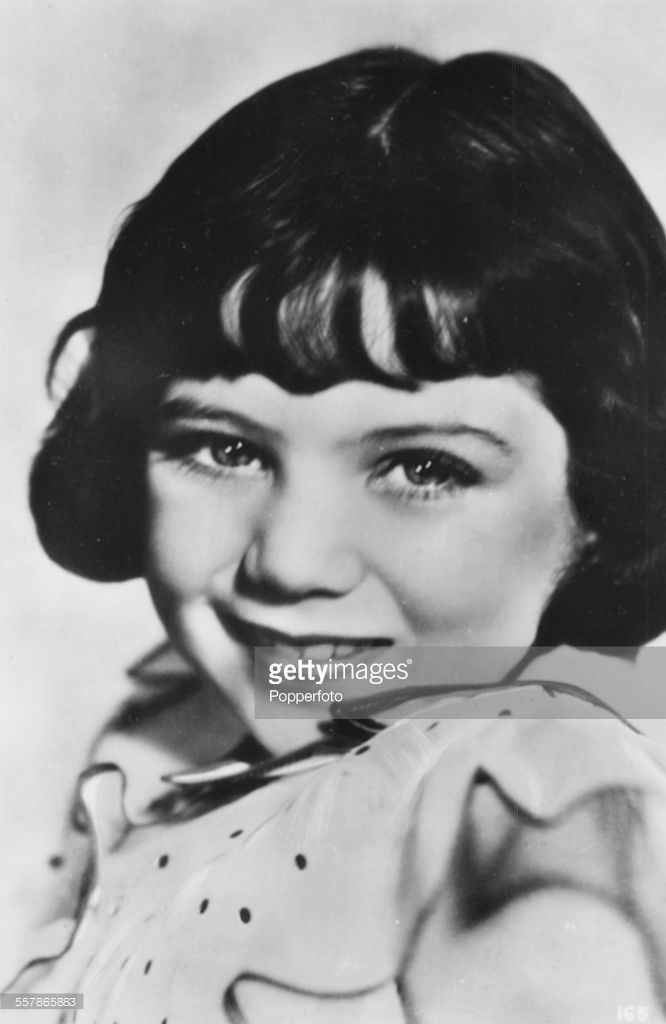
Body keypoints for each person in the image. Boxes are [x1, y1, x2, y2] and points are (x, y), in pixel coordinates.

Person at [7, 46, 666, 1021]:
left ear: (600, 504)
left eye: (424, 469)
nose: (289, 561)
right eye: (225, 449)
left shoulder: (530, 794)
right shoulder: (164, 737)